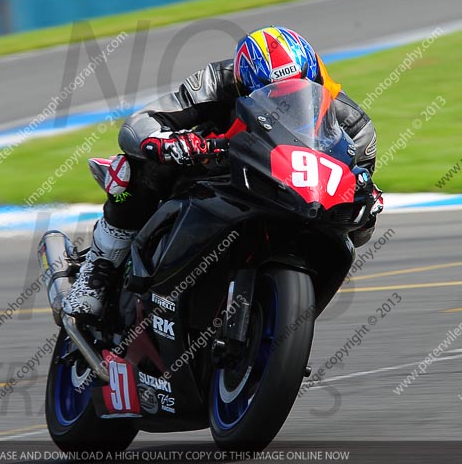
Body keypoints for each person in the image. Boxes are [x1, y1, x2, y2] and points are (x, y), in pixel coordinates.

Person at [63, 25, 379, 319]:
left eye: (293, 91)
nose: (283, 103)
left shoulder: (354, 125)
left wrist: (366, 205)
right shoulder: (216, 82)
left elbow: (360, 218)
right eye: (270, 94)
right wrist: (169, 143)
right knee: (140, 166)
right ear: (242, 85)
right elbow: (139, 125)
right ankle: (99, 267)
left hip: (288, 194)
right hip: (212, 173)